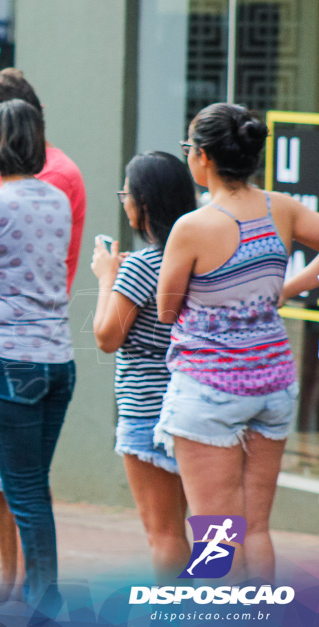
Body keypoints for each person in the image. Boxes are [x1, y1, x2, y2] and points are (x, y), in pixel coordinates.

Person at [156, 103, 319, 583]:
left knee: (216, 536)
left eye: (189, 148)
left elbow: (168, 311)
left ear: (203, 157)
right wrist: (285, 288)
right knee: (256, 529)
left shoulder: (192, 227)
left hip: (210, 387)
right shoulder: (281, 208)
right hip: (273, 381)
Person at [0, 67, 86, 599]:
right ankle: (20, 590)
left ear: (4, 133)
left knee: (23, 489)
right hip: (49, 356)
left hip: (10, 355)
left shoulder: (14, 193)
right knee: (19, 486)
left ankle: (38, 597)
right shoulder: (47, 193)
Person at [90, 152, 196, 582]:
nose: (124, 202)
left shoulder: (140, 265)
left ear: (144, 203)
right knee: (212, 530)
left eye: (126, 195)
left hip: (148, 408)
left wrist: (105, 278)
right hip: (200, 401)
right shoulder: (200, 259)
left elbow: (106, 336)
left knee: (165, 534)